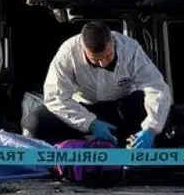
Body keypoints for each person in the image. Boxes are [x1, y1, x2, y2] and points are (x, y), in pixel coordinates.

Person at [22, 21, 172, 148]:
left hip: (121, 109)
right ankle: (69, 153)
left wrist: (151, 128)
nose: (102, 63)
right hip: (83, 109)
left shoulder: (130, 49)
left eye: (107, 56)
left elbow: (157, 88)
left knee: (159, 111)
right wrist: (90, 123)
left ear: (113, 41)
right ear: (83, 48)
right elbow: (55, 97)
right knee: (36, 121)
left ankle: (140, 147)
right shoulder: (68, 53)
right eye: (95, 59)